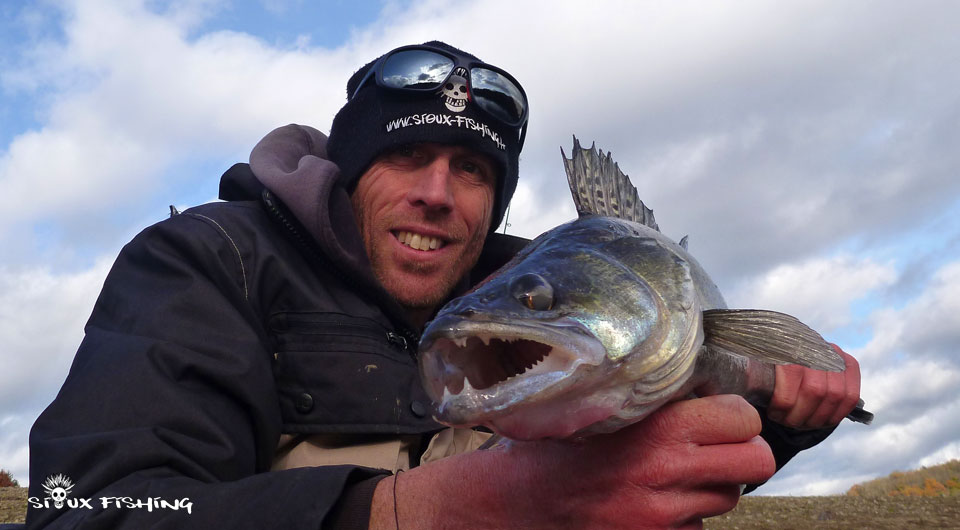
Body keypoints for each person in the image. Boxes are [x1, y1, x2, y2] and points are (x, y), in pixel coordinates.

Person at [26, 41, 861, 529]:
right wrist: (423, 511)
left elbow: (663, 464)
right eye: (404, 157)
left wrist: (786, 418)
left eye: (472, 169)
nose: (437, 191)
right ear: (348, 172)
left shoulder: (531, 277)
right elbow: (76, 511)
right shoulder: (210, 259)